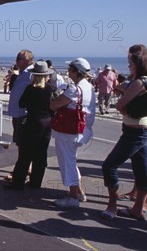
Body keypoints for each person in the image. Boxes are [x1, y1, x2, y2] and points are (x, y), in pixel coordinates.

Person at [100, 44, 147, 221]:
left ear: (137, 64)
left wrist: (125, 112)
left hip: (134, 132)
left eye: (130, 63)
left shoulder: (139, 82)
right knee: (141, 169)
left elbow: (120, 104)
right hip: (144, 128)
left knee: (109, 166)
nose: (128, 66)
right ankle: (138, 208)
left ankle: (112, 206)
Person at [50, 57, 96, 208]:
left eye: (70, 69)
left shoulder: (74, 89)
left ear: (76, 72)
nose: (68, 71)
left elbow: (55, 104)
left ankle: (72, 197)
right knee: (71, 160)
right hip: (82, 129)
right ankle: (79, 192)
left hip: (69, 131)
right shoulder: (88, 87)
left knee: (67, 162)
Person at [4, 61, 54, 190]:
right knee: (41, 154)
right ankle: (36, 182)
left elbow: (21, 103)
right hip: (47, 122)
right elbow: (54, 106)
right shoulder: (51, 88)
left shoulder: (30, 89)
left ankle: (18, 183)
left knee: (25, 154)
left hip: (33, 121)